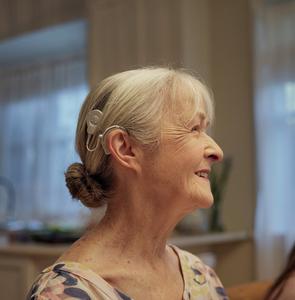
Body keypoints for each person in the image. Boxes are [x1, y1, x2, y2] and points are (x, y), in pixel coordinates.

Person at [27, 67, 227, 300]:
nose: (217, 152)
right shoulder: (66, 294)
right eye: (194, 129)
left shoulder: (201, 275)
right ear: (125, 148)